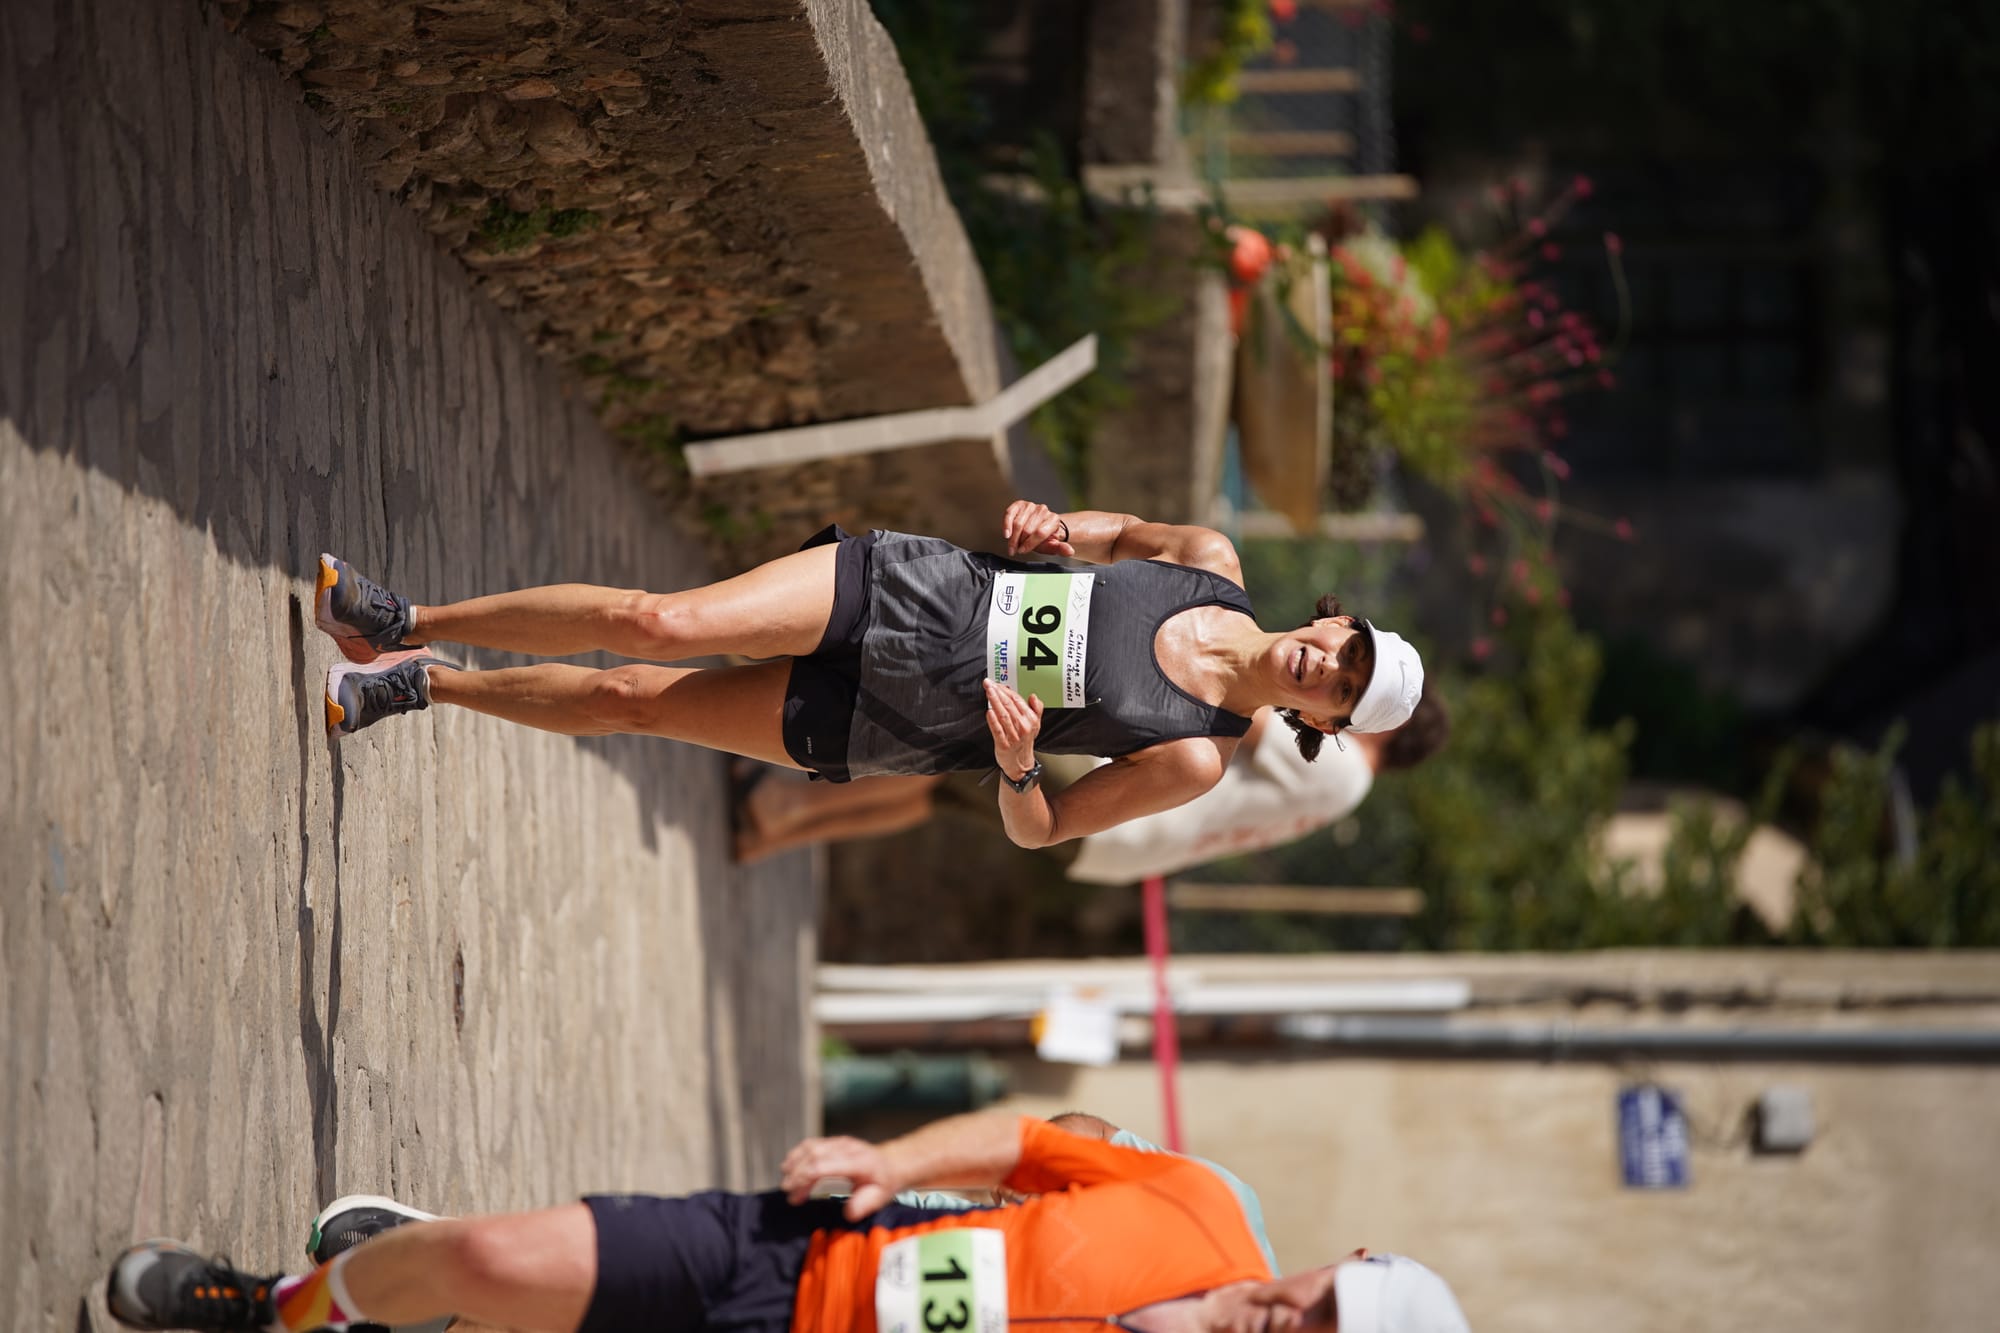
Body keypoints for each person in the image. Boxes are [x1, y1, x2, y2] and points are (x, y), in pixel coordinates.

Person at [315, 502, 1428, 847]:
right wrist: (1057, 525)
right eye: (1345, 646)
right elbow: (1116, 527)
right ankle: (403, 614)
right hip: (918, 593)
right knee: (658, 621)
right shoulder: (1210, 564)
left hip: (894, 720)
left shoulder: (1190, 751)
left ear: (1317, 721)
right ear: (1333, 623)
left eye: (1337, 687)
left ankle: (422, 682)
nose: (1324, 665)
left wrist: (1014, 765)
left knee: (633, 702)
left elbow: (1042, 831)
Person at [104, 1110, 1471, 1333]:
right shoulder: (1205, 1202)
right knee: (492, 1254)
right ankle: (275, 1305)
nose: (1304, 1326)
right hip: (788, 1256)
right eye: (1334, 1308)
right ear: (1343, 1265)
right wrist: (896, 1152)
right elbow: (1037, 1144)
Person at [731, 694, 1451, 877]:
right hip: (1120, 843)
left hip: (1115, 806)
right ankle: (778, 824)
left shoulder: (1343, 767)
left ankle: (778, 803)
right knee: (936, 789)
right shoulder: (1346, 790)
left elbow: (1253, 711)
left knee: (953, 752)